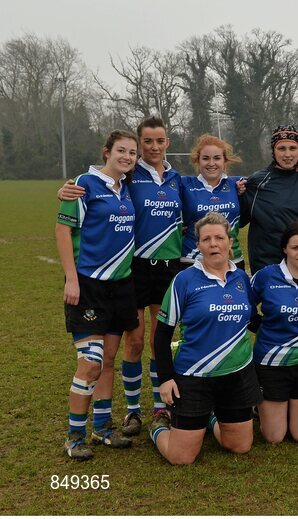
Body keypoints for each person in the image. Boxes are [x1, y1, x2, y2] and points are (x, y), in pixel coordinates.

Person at [58, 116, 185, 435]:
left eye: (160, 140)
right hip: (130, 270)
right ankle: (131, 413)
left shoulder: (175, 179)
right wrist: (66, 190)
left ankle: (159, 408)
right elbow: (73, 212)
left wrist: (240, 185)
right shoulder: (127, 177)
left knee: (159, 342)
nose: (153, 147)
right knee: (134, 342)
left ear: (167, 142)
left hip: (163, 269)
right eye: (146, 142)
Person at [149, 212, 260, 465]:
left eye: (219, 237)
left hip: (237, 374)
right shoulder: (184, 280)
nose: (213, 244)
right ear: (198, 245)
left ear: (230, 242)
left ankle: (210, 418)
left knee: (240, 446)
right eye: (206, 239)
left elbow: (251, 320)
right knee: (182, 457)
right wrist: (166, 379)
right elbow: (162, 333)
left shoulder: (242, 279)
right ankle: (157, 426)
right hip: (194, 375)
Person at [56, 130, 140, 460]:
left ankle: (102, 428)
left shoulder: (127, 189)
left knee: (107, 362)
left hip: (121, 285)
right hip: (88, 285)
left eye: (132, 153)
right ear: (106, 152)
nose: (128, 157)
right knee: (90, 363)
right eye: (121, 150)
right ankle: (74, 435)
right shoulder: (82, 185)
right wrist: (71, 279)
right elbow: (62, 231)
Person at [248, 221, 298, 443]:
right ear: (285, 248)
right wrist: (261, 326)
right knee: (274, 437)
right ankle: (266, 406)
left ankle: (290, 404)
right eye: (295, 248)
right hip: (272, 362)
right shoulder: (266, 276)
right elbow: (245, 308)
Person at [240, 125, 298, 273]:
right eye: (282, 148)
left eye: (293, 148)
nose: (287, 154)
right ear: (273, 151)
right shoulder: (256, 183)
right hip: (268, 268)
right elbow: (236, 221)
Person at [180, 134, 245, 270]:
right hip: (193, 260)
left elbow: (271, 176)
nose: (211, 163)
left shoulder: (236, 183)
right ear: (197, 161)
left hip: (232, 259)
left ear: (224, 161)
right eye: (205, 158)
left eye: (217, 158)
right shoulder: (185, 184)